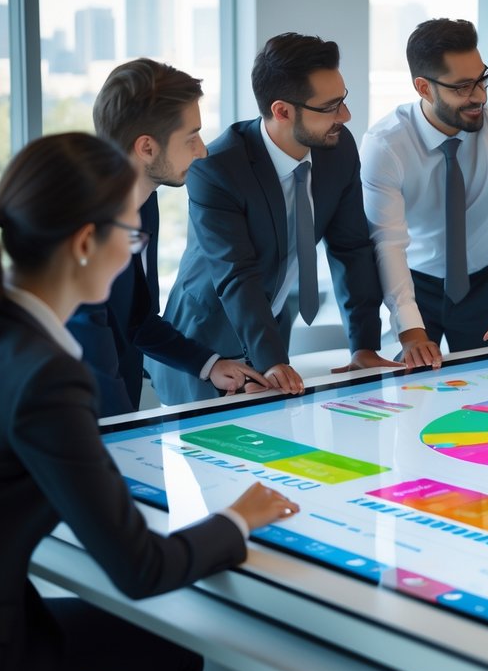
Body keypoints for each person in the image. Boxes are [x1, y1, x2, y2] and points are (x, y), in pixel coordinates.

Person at [0, 132, 300, 671]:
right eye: (131, 235)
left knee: (163, 655)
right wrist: (237, 518)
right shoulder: (49, 377)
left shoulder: (0, 333)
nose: (134, 251)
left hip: (7, 603)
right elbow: (141, 569)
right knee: (173, 654)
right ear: (85, 243)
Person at [151, 33, 397, 405]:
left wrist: (363, 345)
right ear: (282, 111)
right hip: (206, 339)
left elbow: (351, 249)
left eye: (343, 100)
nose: (345, 116)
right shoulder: (216, 170)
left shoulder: (338, 149)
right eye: (331, 106)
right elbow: (236, 274)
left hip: (271, 328)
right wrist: (272, 360)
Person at [68, 59, 267, 416]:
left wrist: (210, 364)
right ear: (146, 147)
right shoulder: (85, 228)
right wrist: (125, 435)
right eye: (191, 137)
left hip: (118, 419)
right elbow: (91, 356)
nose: (203, 151)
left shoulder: (144, 202)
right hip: (82, 427)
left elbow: (137, 319)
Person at [361, 19, 488, 369]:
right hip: (414, 283)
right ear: (424, 88)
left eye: (481, 80)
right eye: (462, 87)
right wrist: (410, 329)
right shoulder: (385, 145)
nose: (479, 96)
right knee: (414, 396)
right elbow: (388, 242)